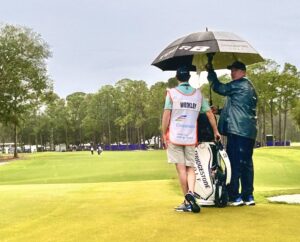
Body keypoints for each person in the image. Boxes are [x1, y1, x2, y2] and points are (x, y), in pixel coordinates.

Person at [161, 66, 220, 213]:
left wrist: (163, 133)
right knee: (190, 168)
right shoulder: (198, 94)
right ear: (189, 77)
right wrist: (216, 131)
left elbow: (166, 115)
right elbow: (209, 114)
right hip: (190, 136)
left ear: (177, 77)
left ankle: (187, 200)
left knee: (181, 169)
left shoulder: (172, 93)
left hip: (175, 136)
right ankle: (191, 193)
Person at [206, 61, 257, 206]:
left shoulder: (239, 84)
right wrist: (220, 111)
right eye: (232, 70)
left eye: (235, 70)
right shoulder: (250, 87)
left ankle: (235, 196)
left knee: (234, 163)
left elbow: (219, 87)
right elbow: (239, 108)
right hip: (248, 131)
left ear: (243, 72)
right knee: (246, 164)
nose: (232, 73)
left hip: (237, 130)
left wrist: (210, 72)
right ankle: (248, 196)